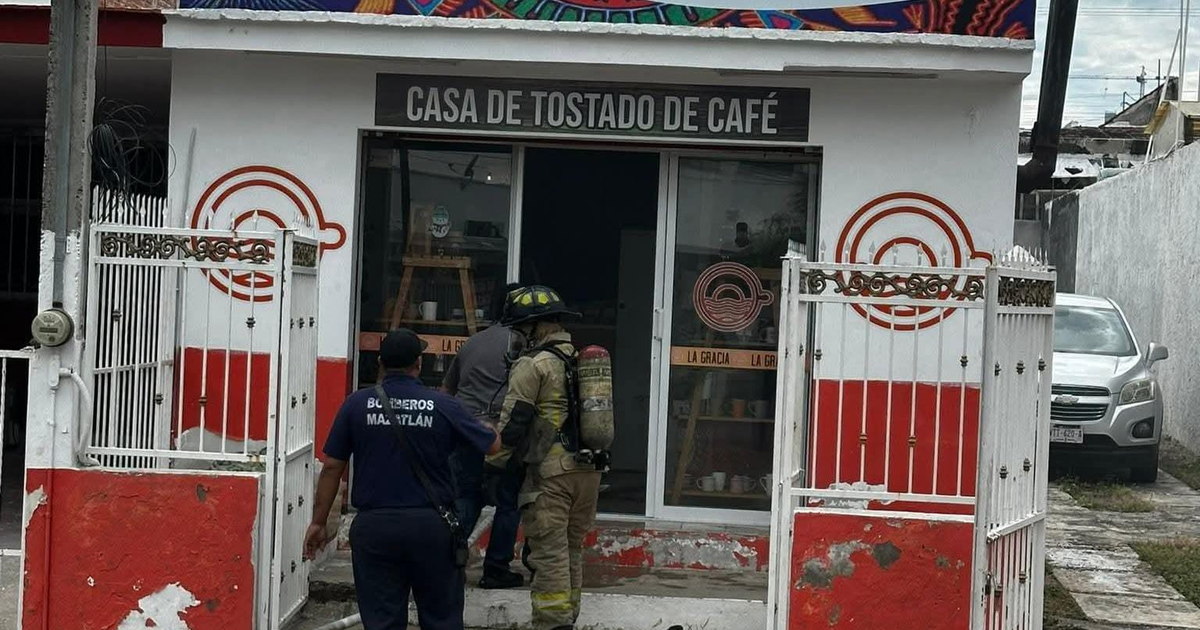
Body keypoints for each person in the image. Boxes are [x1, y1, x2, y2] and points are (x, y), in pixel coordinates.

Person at [304, 329, 500, 630]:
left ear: (380, 362)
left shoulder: (356, 404)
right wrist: (487, 424)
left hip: (374, 529)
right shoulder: (442, 405)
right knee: (442, 619)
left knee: (381, 621)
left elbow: (332, 467)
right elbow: (492, 445)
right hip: (431, 528)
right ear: (419, 364)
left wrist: (318, 521)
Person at [487, 285, 602, 630]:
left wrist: (493, 466)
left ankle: (553, 624)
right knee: (571, 549)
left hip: (551, 475)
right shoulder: (583, 360)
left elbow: (513, 423)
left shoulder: (533, 364)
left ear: (536, 328)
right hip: (588, 471)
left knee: (549, 554)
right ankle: (568, 618)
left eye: (520, 330)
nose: (518, 338)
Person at [442, 282, 525, 589]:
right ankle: (496, 569)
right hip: (501, 437)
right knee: (508, 501)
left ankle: (449, 561)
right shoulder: (521, 345)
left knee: (466, 496)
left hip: (464, 433)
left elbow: (447, 391)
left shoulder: (473, 342)